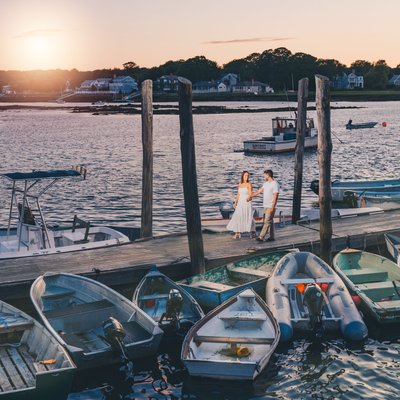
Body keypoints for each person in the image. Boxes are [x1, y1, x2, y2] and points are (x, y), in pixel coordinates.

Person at [248, 169, 279, 242]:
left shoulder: (275, 184)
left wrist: (273, 207)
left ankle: (261, 237)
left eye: (264, 175)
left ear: (268, 175)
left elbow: (276, 196)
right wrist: (251, 196)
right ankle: (272, 237)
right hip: (265, 205)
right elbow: (259, 191)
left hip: (271, 206)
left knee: (267, 221)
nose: (263, 176)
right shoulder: (266, 184)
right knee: (269, 221)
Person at [226, 171, 256, 239]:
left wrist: (250, 198)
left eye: (248, 176)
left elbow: (251, 194)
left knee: (248, 216)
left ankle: (253, 231)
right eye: (245, 175)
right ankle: (237, 233)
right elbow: (238, 194)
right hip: (240, 202)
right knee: (238, 216)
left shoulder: (249, 184)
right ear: (242, 176)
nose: (247, 177)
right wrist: (235, 203)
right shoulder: (240, 184)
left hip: (246, 202)